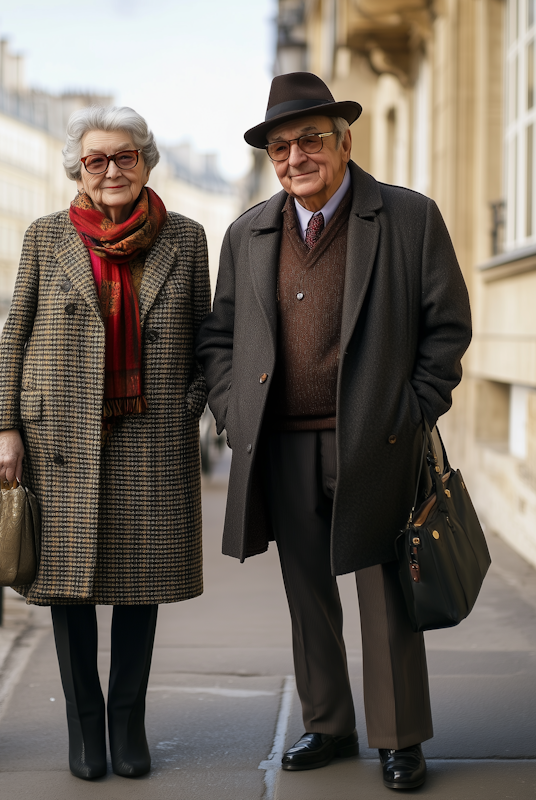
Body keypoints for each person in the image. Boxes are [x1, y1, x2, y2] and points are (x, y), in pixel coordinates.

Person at [196, 72, 471, 791]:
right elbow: (219, 338)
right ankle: (328, 723)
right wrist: (233, 412)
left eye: (310, 140)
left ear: (344, 141)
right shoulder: (248, 231)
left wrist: (413, 409)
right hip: (282, 443)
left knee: (386, 593)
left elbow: (447, 328)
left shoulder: (408, 218)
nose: (295, 158)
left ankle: (399, 737)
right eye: (280, 147)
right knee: (306, 592)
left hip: (376, 440)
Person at [0, 106, 210, 781]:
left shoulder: (187, 238)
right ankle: (85, 730)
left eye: (124, 156)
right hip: (61, 441)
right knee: (69, 592)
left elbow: (208, 339)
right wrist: (7, 428)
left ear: (145, 161)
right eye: (96, 160)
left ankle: (128, 725)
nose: (111, 170)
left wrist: (186, 411)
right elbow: (15, 334)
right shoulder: (46, 237)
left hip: (152, 437)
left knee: (140, 592)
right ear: (79, 170)